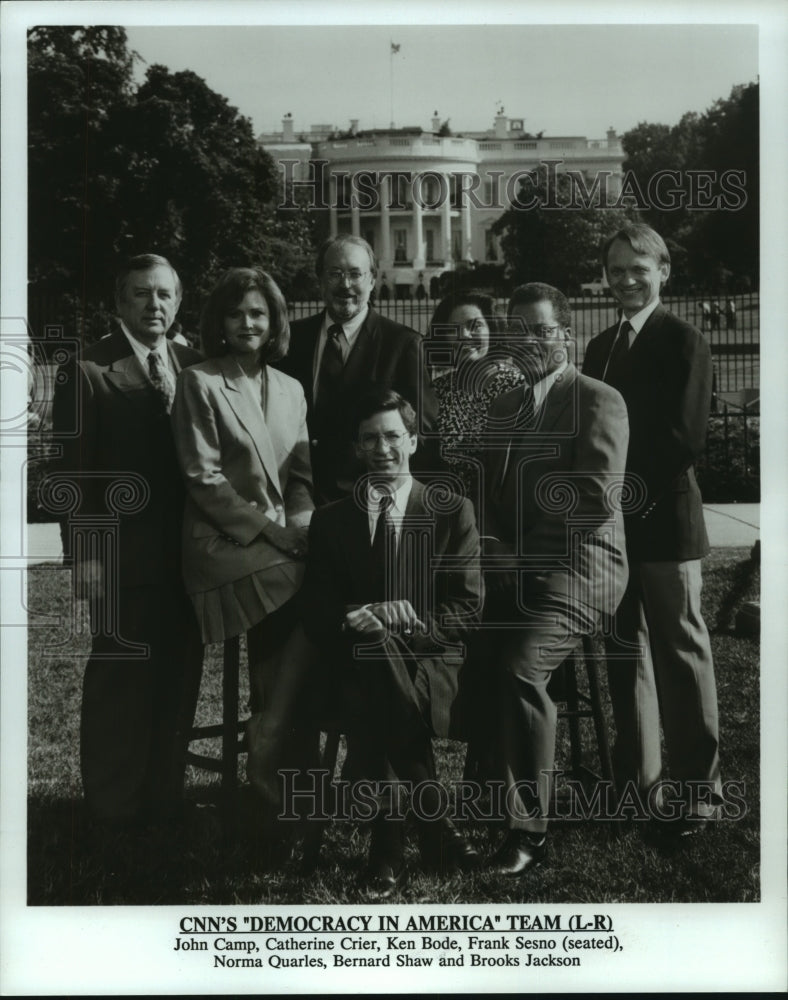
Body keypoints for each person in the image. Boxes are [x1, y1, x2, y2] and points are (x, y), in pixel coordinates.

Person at [285, 389, 483, 897]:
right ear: (356, 448)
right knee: (374, 655)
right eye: (370, 438)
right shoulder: (332, 520)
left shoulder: (450, 510)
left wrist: (410, 622)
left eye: (393, 436)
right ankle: (434, 823)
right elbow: (316, 611)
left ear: (413, 441)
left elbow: (466, 609)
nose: (383, 448)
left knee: (379, 675)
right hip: (354, 662)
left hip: (433, 664)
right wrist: (363, 616)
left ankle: (388, 848)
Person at [478, 282, 629, 875]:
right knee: (451, 641)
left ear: (566, 333)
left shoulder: (598, 399)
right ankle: (478, 792)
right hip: (513, 566)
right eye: (517, 331)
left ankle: (528, 829)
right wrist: (492, 546)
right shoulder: (503, 405)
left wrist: (521, 559)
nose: (529, 341)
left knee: (520, 667)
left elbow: (591, 500)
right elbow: (484, 492)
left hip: (581, 566)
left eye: (541, 330)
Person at [51, 253, 204, 832]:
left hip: (188, 558)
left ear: (178, 301)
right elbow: (70, 476)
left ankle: (164, 799)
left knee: (178, 677)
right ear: (120, 303)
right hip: (120, 559)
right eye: (141, 294)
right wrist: (86, 556)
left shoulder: (194, 364)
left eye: (164, 294)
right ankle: (113, 809)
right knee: (121, 681)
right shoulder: (88, 369)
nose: (154, 305)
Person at [582, 223, 722, 840]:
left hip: (664, 524)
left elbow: (682, 440)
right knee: (625, 656)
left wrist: (616, 493)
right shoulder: (601, 347)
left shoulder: (684, 339)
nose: (627, 279)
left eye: (639, 268)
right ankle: (638, 783)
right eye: (616, 269)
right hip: (613, 533)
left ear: (663, 270)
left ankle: (700, 790)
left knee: (681, 655)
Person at [170, 267, 314, 773]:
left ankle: (275, 727)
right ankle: (270, 742)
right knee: (301, 584)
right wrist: (275, 533)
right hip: (221, 542)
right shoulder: (200, 381)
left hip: (278, 540)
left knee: (330, 576)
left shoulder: (292, 389)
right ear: (220, 323)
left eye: (258, 312)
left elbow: (300, 478)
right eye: (236, 313)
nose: (248, 322)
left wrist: (301, 529)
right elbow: (202, 478)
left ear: (275, 321)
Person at [278, 235, 439, 505]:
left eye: (355, 274)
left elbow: (422, 434)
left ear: (373, 280)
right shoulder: (292, 340)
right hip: (297, 500)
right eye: (335, 274)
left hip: (369, 504)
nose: (346, 285)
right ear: (320, 281)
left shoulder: (402, 345)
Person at [428, 289, 525, 509]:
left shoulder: (516, 386)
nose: (465, 335)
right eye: (454, 329)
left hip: (502, 513)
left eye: (476, 326)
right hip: (448, 510)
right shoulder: (437, 390)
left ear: (492, 330)